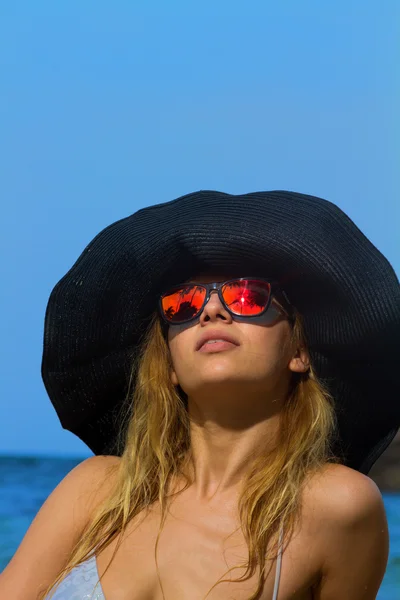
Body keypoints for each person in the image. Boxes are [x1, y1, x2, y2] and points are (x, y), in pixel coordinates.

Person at [0, 190, 398, 600]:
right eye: (183, 304)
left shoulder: (338, 506)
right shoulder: (97, 489)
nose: (211, 311)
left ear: (299, 352)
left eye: (246, 296)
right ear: (170, 365)